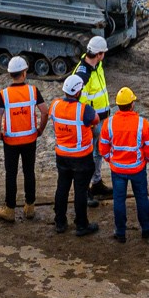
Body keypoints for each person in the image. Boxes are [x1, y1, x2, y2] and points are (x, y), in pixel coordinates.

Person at [0, 56, 48, 221]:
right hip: (30, 139)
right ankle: (29, 207)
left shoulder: (4, 94)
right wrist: (40, 130)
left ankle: (9, 209)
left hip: (10, 141)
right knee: (29, 172)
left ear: (10, 74)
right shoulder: (33, 90)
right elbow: (45, 111)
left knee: (11, 174)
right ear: (24, 73)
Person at [98, 87, 149, 242]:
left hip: (117, 169)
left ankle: (120, 232)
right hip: (137, 168)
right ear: (132, 104)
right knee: (142, 197)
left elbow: (103, 147)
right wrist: (146, 159)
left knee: (119, 200)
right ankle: (146, 227)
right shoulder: (141, 123)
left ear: (118, 105)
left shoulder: (109, 124)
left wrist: (110, 159)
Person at [49, 74, 98, 237]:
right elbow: (95, 120)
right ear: (78, 92)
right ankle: (82, 225)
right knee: (80, 191)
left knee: (62, 187)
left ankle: (60, 222)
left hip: (62, 155)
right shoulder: (84, 110)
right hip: (81, 157)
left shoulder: (55, 105)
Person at [68, 36, 112, 196]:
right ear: (99, 54)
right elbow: (79, 100)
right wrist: (90, 121)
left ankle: (96, 182)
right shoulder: (83, 74)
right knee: (87, 156)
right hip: (92, 121)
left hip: (100, 118)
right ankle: (85, 189)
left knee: (98, 152)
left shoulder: (96, 66)